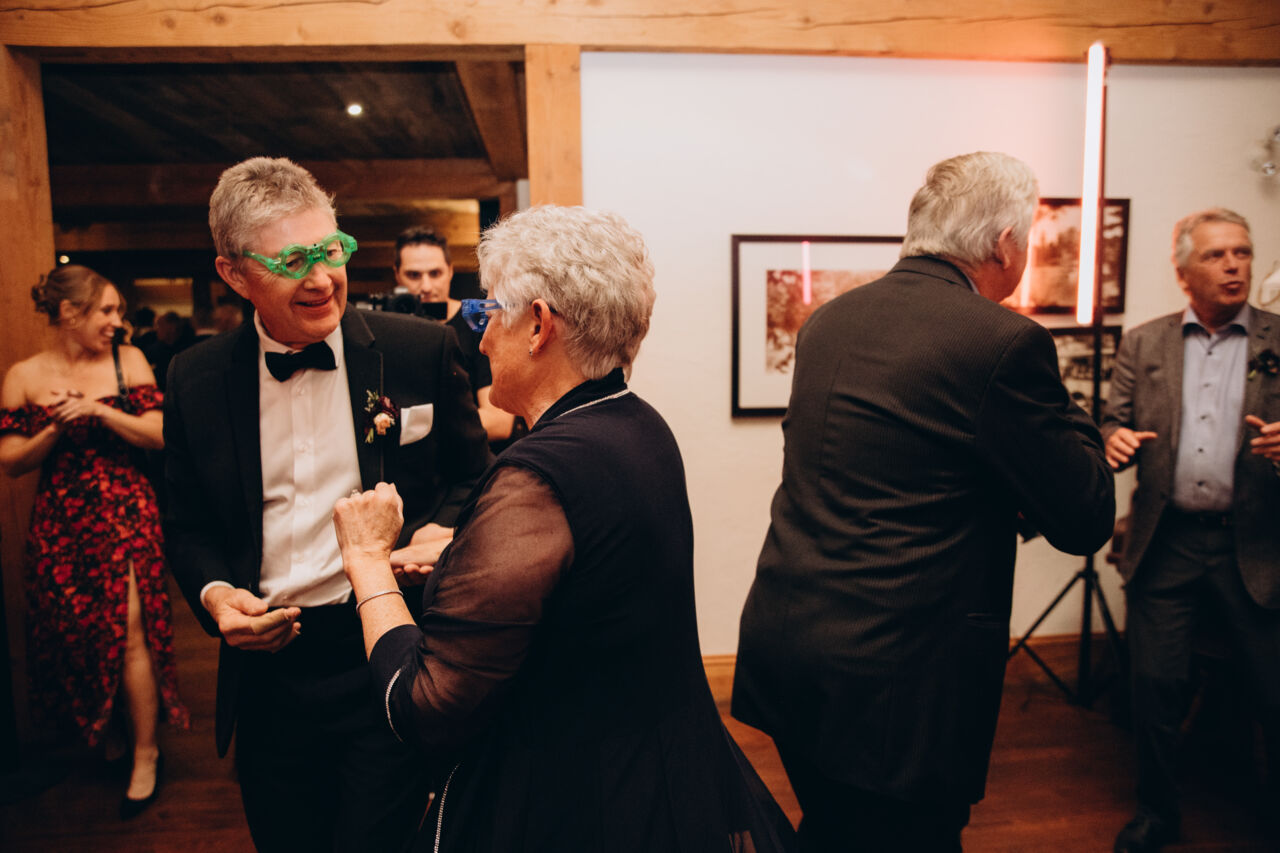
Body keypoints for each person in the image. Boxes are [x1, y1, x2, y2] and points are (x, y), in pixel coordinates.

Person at [331, 205, 796, 853]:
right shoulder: (637, 423)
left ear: (538, 324)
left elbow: (427, 706)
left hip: (571, 796)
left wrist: (366, 558)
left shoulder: (536, 475)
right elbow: (594, 575)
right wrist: (467, 552)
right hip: (656, 771)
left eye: (488, 314)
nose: (481, 341)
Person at [732, 151, 1116, 852]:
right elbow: (1085, 515)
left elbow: (900, 472)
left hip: (793, 640)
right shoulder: (1004, 342)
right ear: (1005, 243)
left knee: (835, 828)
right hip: (897, 682)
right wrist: (1085, 413)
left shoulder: (831, 319)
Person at [162, 157, 491, 852]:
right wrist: (217, 596)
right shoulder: (195, 377)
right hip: (267, 673)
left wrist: (437, 530)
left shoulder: (417, 350)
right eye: (292, 261)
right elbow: (186, 524)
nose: (321, 278)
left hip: (384, 651)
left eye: (330, 250)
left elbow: (475, 480)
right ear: (234, 274)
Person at [1102, 207, 1280, 853]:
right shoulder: (1143, 343)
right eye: (1215, 255)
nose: (1234, 265)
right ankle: (1158, 813)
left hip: (1256, 544)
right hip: (1167, 540)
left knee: (1272, 693)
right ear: (1183, 274)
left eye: (1242, 252)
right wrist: (1112, 438)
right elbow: (1110, 420)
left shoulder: (1279, 339)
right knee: (1155, 689)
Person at [0, 264, 188, 819]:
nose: (117, 321)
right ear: (68, 313)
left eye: (119, 310)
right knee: (78, 631)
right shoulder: (24, 375)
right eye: (106, 310)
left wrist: (97, 409)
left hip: (126, 507)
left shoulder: (129, 361)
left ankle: (146, 754)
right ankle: (108, 729)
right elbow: (11, 461)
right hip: (61, 518)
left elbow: (159, 434)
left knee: (130, 630)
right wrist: (55, 426)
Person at [392, 226, 520, 446]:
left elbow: (499, 421)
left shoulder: (479, 322)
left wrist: (417, 427)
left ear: (450, 271)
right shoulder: (392, 329)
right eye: (414, 275)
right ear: (397, 274)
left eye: (435, 273)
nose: (426, 286)